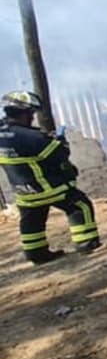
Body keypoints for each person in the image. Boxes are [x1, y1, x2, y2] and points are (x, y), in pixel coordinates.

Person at [0, 91, 100, 265]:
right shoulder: (31, 136)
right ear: (24, 113)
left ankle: (36, 254)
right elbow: (60, 154)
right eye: (31, 113)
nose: (32, 117)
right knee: (79, 205)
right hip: (48, 188)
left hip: (23, 193)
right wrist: (60, 141)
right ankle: (86, 243)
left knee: (31, 220)